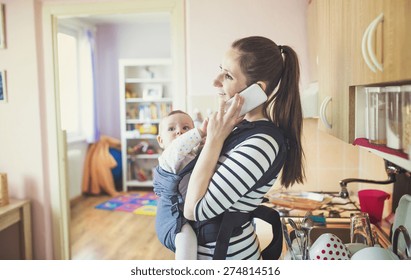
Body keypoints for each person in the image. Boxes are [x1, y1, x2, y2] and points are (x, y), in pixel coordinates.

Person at [183, 36, 305, 260]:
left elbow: (194, 210)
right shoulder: (238, 128)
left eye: (227, 75)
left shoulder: (262, 143)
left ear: (257, 90)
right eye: (221, 70)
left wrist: (213, 140)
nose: (215, 81)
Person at [154, 110, 207, 259]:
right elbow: (179, 146)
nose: (179, 132)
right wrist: (201, 131)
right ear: (161, 140)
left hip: (186, 211)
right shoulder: (169, 157)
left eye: (186, 128)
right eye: (171, 129)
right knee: (187, 238)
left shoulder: (190, 154)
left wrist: (204, 144)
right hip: (171, 216)